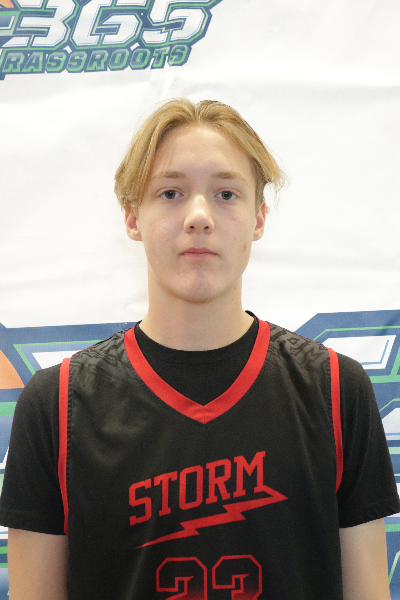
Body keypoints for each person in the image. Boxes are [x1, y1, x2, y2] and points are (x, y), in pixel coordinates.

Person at [0, 98, 399, 600]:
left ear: (258, 218)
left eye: (226, 194)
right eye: (170, 192)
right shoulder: (58, 406)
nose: (199, 216)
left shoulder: (336, 391)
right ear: (132, 217)